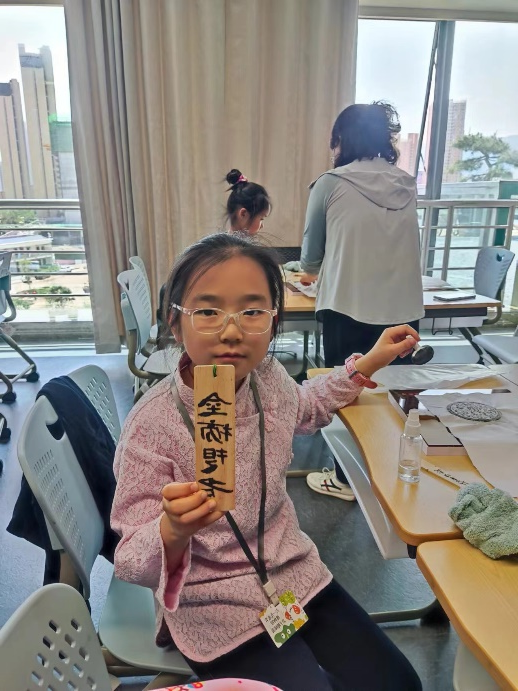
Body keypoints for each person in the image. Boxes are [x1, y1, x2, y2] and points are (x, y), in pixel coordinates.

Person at [111, 233, 422, 691]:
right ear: (176, 324)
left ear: (274, 322)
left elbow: (308, 407)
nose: (231, 331)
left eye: (252, 311)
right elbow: (129, 560)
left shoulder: (268, 378)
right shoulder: (152, 424)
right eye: (208, 311)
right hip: (212, 605)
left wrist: (369, 363)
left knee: (398, 684)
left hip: (292, 577)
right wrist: (171, 529)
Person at [300, 101, 424, 500]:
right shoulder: (407, 183)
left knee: (347, 390)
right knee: (394, 394)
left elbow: (310, 257)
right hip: (403, 312)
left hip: (347, 306)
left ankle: (345, 478)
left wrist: (316, 265)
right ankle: (387, 472)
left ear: (342, 139)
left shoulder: (331, 183)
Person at [225, 168, 271, 235]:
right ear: (243, 213)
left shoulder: (219, 241)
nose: (262, 226)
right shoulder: (220, 241)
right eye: (261, 218)